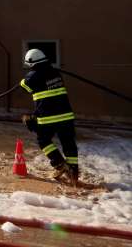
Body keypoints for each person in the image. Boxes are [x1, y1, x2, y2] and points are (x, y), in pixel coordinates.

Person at [20, 49, 78, 185]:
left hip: (48, 118)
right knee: (69, 143)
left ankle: (59, 164)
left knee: (43, 140)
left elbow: (24, 86)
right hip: (66, 116)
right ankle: (73, 173)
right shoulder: (56, 73)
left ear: (31, 63)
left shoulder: (32, 75)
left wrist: (24, 80)